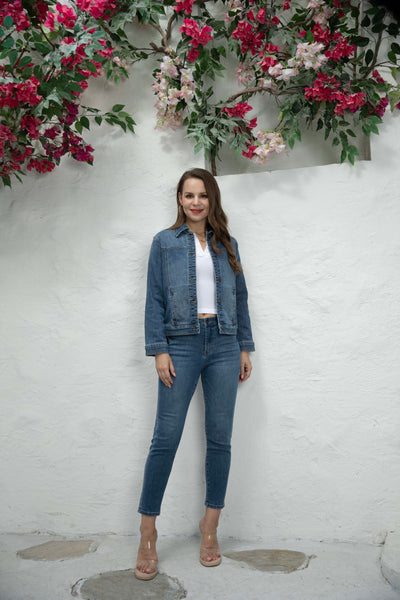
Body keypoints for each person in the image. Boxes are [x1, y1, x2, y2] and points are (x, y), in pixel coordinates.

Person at [135, 168, 255, 580]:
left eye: (202, 195)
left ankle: (210, 527)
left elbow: (240, 298)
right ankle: (148, 532)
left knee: (220, 439)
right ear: (180, 200)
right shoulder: (164, 242)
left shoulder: (227, 244)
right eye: (189, 195)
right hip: (181, 345)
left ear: (212, 199)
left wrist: (243, 346)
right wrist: (159, 350)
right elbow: (154, 299)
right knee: (165, 438)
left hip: (224, 344)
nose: (196, 202)